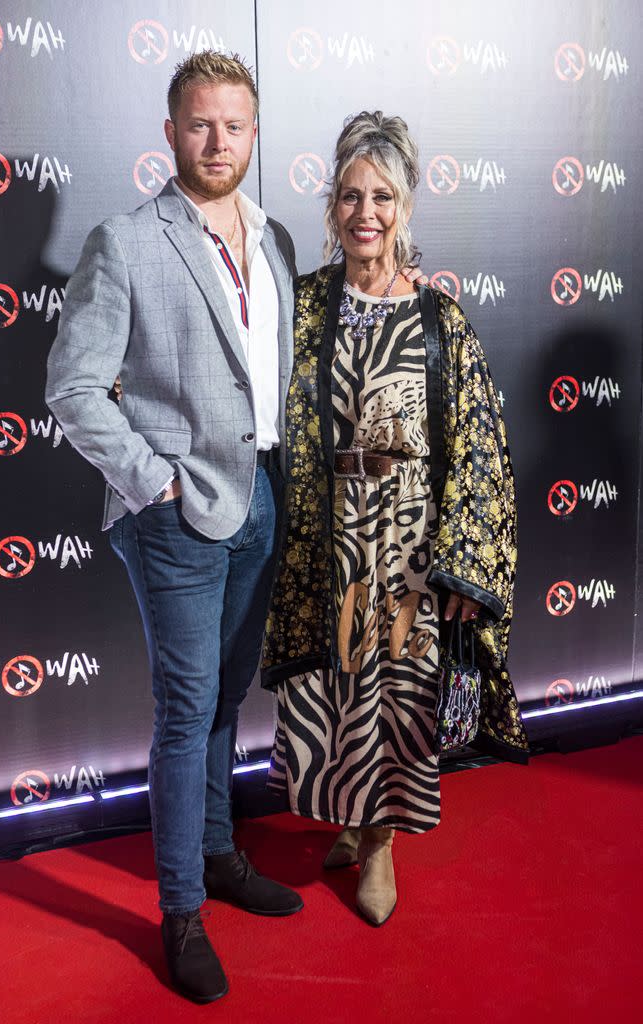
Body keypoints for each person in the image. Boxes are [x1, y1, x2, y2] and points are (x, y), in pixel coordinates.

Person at [45, 52, 306, 1006]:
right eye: (200, 124)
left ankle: (220, 855)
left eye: (234, 125)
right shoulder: (126, 241)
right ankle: (182, 910)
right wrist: (151, 482)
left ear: (252, 132)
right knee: (184, 712)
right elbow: (72, 387)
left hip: (263, 500)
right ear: (170, 133)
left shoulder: (276, 239)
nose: (218, 141)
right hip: (175, 518)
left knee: (228, 699)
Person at [261, 111, 530, 927]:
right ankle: (349, 816)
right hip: (325, 544)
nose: (364, 213)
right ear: (331, 206)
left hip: (410, 553)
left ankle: (380, 842)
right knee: (338, 686)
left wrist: (462, 567)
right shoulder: (303, 306)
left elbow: (482, 448)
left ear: (406, 206)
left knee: (397, 693)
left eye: (381, 196)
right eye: (349, 196)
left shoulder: (440, 319)